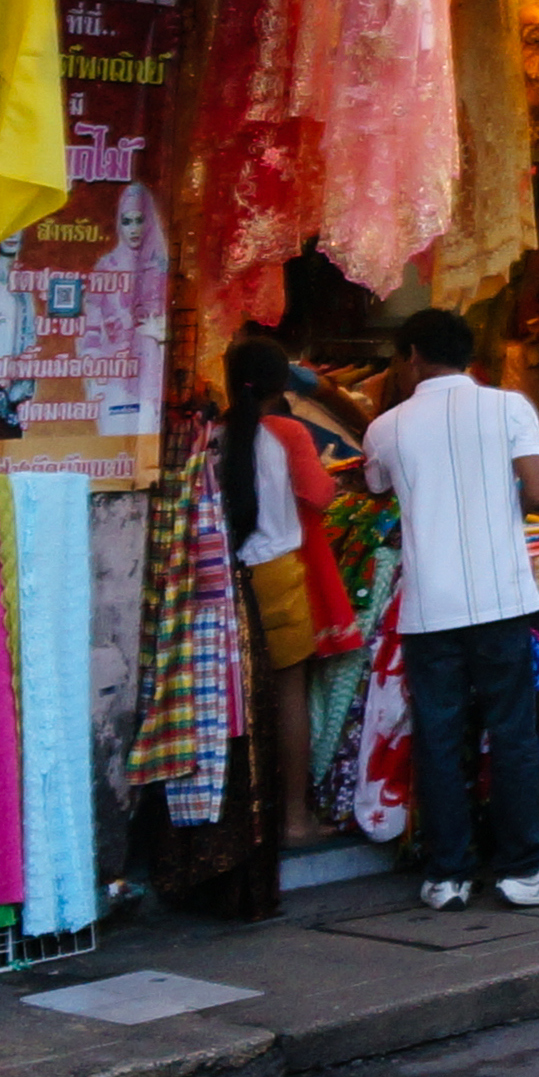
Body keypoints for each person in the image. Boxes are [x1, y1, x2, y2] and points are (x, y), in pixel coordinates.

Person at [363, 307, 539, 912]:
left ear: (411, 357)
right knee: (512, 732)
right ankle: (520, 871)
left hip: (430, 609)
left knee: (438, 736)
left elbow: (377, 486)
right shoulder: (510, 407)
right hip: (501, 598)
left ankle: (448, 875)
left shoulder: (387, 427)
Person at [222, 334, 362, 848]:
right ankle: (295, 820)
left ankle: (248, 816)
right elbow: (319, 494)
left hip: (230, 575)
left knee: (239, 696)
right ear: (283, 382)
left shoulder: (218, 434)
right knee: (288, 694)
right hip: (279, 570)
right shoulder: (287, 431)